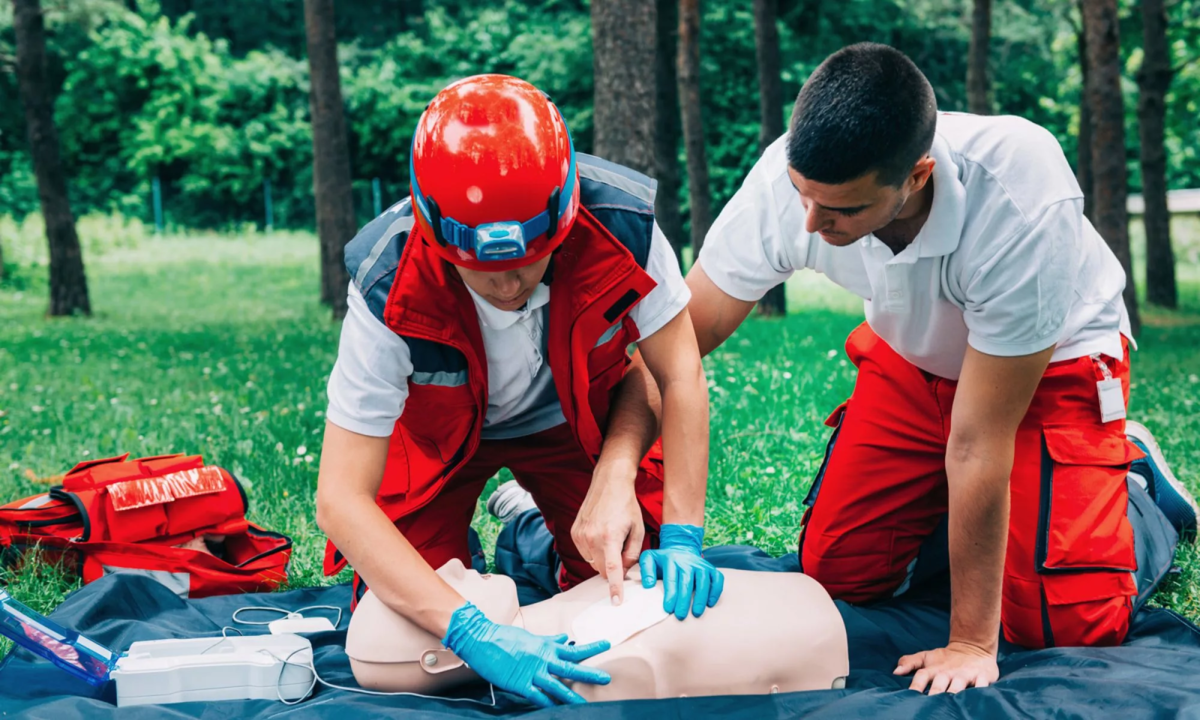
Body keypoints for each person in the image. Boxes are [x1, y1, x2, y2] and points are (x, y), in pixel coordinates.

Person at [676, 43, 1198, 693]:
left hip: (1050, 367)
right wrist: (607, 465)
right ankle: (1007, 518)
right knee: (839, 575)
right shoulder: (794, 182)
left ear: (917, 177)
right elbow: (677, 341)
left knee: (1061, 625)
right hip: (913, 356)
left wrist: (971, 643)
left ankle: (1137, 485)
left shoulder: (1020, 193)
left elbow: (979, 442)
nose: (811, 221)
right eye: (803, 196)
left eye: (842, 211)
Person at [314, 74, 722, 708]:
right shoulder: (385, 281)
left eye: (528, 262)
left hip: (577, 423)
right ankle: (482, 543)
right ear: (434, 233)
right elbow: (341, 499)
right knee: (398, 645)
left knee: (627, 590)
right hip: (437, 445)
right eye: (484, 269)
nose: (508, 286)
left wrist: (680, 533)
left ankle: (531, 525)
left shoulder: (622, 222)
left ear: (564, 215)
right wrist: (471, 629)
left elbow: (678, 375)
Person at [345, 558, 849, 703]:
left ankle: (525, 519)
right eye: (445, 585)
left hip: (807, 607)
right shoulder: (584, 661)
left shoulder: (560, 614)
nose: (453, 565)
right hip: (823, 646)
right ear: (439, 655)